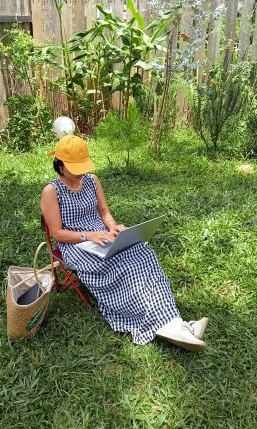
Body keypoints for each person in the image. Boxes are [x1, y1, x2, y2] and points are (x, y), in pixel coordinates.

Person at [41, 135, 209, 351]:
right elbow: (58, 234)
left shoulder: (91, 181)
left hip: (103, 237)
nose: (80, 172)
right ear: (60, 164)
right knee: (123, 266)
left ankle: (175, 323)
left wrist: (113, 226)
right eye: (75, 167)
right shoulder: (51, 191)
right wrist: (89, 236)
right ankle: (174, 326)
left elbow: (104, 211)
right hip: (76, 244)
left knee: (144, 254)